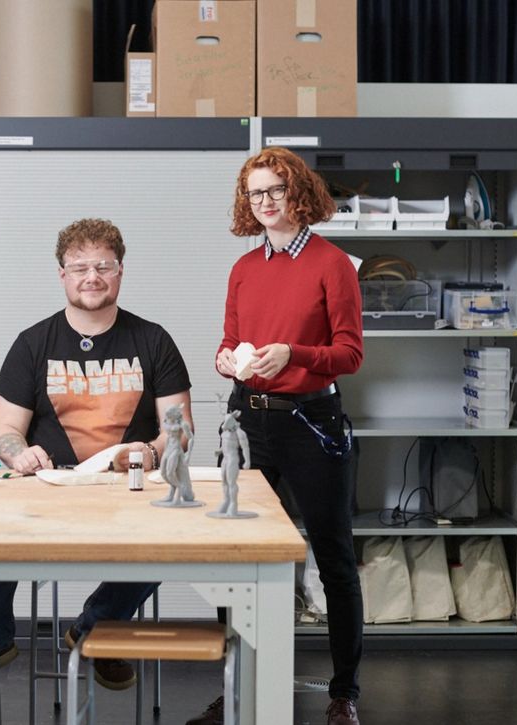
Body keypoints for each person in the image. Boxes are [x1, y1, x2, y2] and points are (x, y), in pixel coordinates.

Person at [0, 218, 193, 694]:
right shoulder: (33, 343)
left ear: (121, 271)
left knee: (171, 538)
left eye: (104, 265)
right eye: (79, 267)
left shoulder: (153, 340)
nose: (92, 276)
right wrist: (19, 454)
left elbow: (181, 431)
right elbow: (4, 431)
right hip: (47, 490)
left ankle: (99, 629)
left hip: (129, 491)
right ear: (62, 274)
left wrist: (151, 451)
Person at [187, 147, 364, 725]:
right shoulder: (244, 268)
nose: (264, 202)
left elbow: (349, 354)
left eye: (275, 191)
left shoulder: (332, 263)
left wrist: (294, 354)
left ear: (300, 195)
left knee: (334, 556)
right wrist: (224, 359)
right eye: (255, 192)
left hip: (312, 423)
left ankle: (344, 694)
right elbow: (230, 338)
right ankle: (237, 685)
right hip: (249, 421)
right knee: (234, 556)